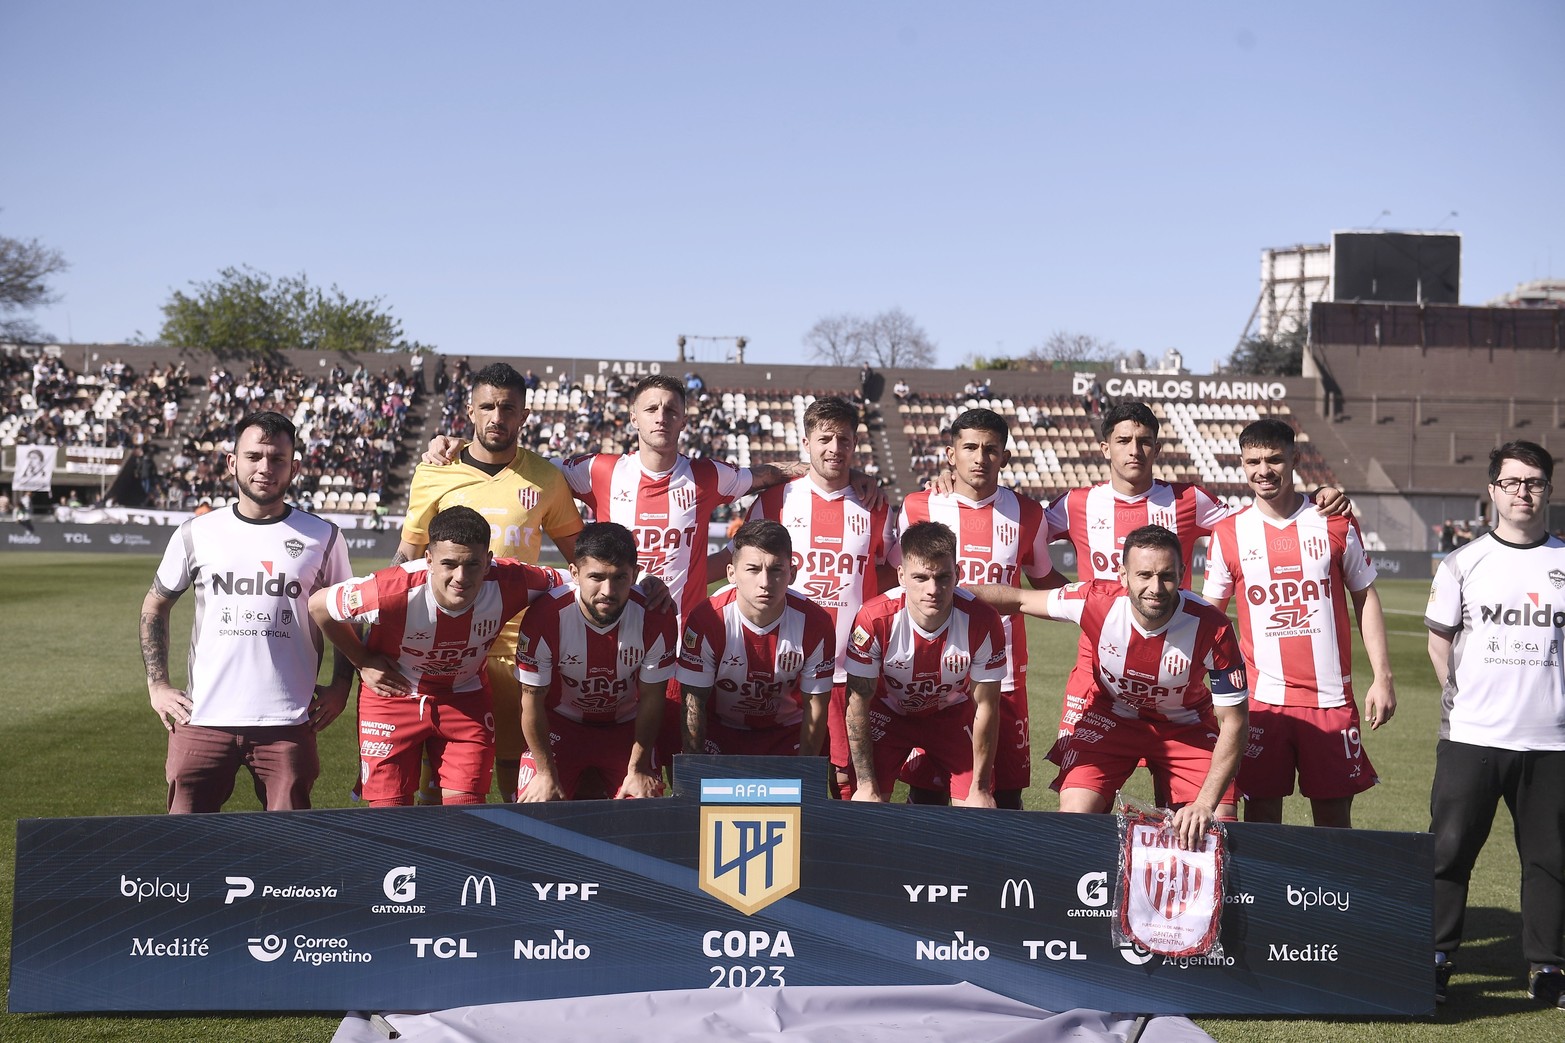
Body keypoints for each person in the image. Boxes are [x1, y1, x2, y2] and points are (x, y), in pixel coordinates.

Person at [1041, 401, 1348, 767]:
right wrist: (1074, 600)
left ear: (1157, 448)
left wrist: (1315, 499)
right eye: (1124, 440)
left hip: (1176, 664)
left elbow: (1259, 519)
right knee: (1081, 792)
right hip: (1097, 668)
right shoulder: (1077, 503)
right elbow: (1024, 542)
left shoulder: (1188, 499)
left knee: (1184, 795)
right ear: (1106, 448)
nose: (1134, 450)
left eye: (1144, 441)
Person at [972, 525, 1250, 850]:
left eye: (1166, 576)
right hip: (1110, 720)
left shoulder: (1213, 628)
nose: (1155, 587)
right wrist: (947, 596)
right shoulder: (1095, 601)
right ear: (1123, 575)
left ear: (1183, 573)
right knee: (1074, 816)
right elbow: (1017, 599)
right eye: (1143, 575)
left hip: (1184, 728)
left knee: (1216, 823)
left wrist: (1204, 804)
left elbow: (1234, 721)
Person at [139, 410, 353, 813]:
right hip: (202, 718)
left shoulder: (324, 536)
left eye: (277, 459)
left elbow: (345, 615)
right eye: (254, 457)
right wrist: (158, 685)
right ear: (232, 462)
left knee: (288, 848)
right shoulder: (196, 533)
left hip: (288, 722)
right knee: (184, 842)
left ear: (295, 466)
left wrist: (342, 686)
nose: (264, 468)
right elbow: (156, 603)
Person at [398, 362, 584, 801]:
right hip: (443, 648)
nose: (497, 417)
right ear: (470, 410)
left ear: (523, 416)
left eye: (508, 408)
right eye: (487, 406)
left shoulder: (546, 478)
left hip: (516, 649)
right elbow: (406, 558)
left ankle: (517, 869)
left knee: (517, 779)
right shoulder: (434, 472)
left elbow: (581, 561)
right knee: (439, 782)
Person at [1424, 440, 1565, 1008]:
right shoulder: (1463, 562)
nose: (1523, 492)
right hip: (1473, 737)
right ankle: (1435, 958)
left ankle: (1548, 966)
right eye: (1512, 482)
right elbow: (1440, 643)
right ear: (1493, 491)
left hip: (1552, 741)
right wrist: (1469, 696)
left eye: (1534, 482)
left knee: (1551, 859)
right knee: (1448, 852)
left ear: (1549, 491)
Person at [1202, 418, 1396, 827]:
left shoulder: (1335, 520)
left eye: (1274, 459)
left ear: (1296, 459)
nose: (1263, 470)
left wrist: (1383, 676)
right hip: (1261, 703)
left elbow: (1365, 596)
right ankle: (1267, 895)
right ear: (1241, 463)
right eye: (1253, 461)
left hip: (1330, 700)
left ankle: (1331, 893)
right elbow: (1209, 618)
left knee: (1333, 820)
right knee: (1261, 815)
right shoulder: (1228, 532)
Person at [309, 506, 565, 807]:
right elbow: (318, 606)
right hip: (392, 697)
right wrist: (361, 660)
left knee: (467, 814)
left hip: (465, 698)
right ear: (428, 560)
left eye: (472, 564)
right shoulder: (390, 590)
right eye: (449, 564)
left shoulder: (514, 580)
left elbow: (573, 584)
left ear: (488, 562)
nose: (461, 577)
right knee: (388, 816)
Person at [895, 407, 1064, 809]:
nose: (979, 457)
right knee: (927, 793)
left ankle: (1001, 874)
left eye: (990, 449)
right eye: (969, 447)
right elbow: (895, 581)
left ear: (1004, 456)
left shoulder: (1027, 513)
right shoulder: (919, 507)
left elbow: (1043, 580)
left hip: (1002, 672)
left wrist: (1100, 601)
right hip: (931, 673)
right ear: (951, 454)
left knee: (1003, 794)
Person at [744, 396, 896, 799]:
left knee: (849, 781)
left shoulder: (875, 506)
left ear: (855, 443)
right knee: (786, 779)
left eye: (843, 439)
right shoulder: (774, 501)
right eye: (825, 438)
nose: (834, 448)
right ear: (807, 442)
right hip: (785, 667)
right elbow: (741, 571)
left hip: (851, 666)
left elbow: (893, 574)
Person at [845, 521, 1007, 808]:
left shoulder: (982, 620)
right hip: (889, 715)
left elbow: (986, 707)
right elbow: (857, 704)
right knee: (865, 805)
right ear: (901, 576)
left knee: (978, 808)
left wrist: (980, 788)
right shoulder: (873, 619)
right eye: (920, 578)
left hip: (951, 715)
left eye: (943, 577)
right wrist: (867, 785)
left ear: (957, 574)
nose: (933, 589)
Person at [515, 522, 679, 801]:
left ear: (636, 575)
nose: (608, 590)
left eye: (619, 578)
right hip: (560, 728)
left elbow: (652, 700)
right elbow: (531, 704)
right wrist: (544, 773)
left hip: (626, 730)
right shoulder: (545, 617)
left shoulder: (656, 616)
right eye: (596, 577)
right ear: (575, 574)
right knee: (536, 807)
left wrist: (638, 768)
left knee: (644, 806)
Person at [679, 520, 836, 757]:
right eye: (753, 569)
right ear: (731, 573)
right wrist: (695, 769)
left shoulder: (815, 624)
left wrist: (805, 772)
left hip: (787, 731)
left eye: (776, 570)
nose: (764, 583)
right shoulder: (707, 620)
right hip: (720, 729)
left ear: (792, 574)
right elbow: (693, 703)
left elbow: (816, 706)